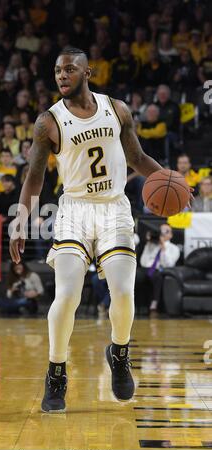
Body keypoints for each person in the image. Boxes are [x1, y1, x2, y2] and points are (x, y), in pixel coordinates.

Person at [10, 47, 174, 413]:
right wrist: (20, 221)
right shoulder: (47, 122)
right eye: (57, 71)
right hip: (74, 210)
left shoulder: (117, 109)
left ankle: (119, 351)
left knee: (124, 292)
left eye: (69, 69)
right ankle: (56, 371)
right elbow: (34, 177)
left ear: (88, 72)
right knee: (67, 295)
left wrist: (168, 178)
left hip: (115, 208)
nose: (62, 76)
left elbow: (137, 158)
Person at [137, 224, 180, 315]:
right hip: (145, 269)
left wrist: (163, 248)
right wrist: (149, 243)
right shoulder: (151, 244)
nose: (163, 233)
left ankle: (154, 305)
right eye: (162, 231)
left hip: (160, 270)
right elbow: (143, 261)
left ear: (171, 235)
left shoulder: (174, 248)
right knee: (134, 276)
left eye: (167, 231)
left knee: (157, 276)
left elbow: (169, 264)